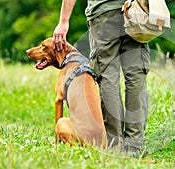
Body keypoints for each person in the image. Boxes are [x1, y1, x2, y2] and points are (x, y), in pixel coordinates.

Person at [53, 0, 150, 155]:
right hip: (135, 10)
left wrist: (64, 22)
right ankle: (134, 146)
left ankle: (114, 145)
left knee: (107, 79)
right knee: (136, 77)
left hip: (104, 12)